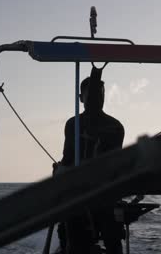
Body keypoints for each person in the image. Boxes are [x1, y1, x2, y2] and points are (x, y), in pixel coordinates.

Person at [54, 73, 125, 254]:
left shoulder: (114, 126)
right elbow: (68, 159)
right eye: (93, 93)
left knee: (110, 237)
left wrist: (60, 169)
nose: (97, 97)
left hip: (103, 194)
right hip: (85, 194)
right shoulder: (74, 124)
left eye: (100, 93)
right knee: (72, 234)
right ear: (81, 98)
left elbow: (115, 164)